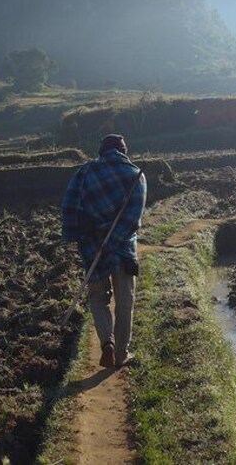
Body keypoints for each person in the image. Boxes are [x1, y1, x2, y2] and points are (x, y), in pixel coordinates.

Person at [61, 134, 147, 368]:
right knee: (124, 301)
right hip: (122, 249)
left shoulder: (85, 173)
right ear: (123, 151)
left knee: (98, 299)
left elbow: (69, 206)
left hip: (92, 248)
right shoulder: (135, 175)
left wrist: (74, 236)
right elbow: (133, 219)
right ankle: (121, 353)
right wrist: (114, 241)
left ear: (101, 152)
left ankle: (106, 342)